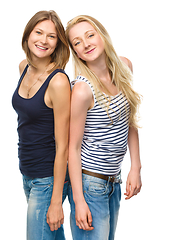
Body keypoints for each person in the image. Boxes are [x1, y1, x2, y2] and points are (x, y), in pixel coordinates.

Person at [66, 15, 142, 240]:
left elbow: (129, 121)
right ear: (76, 53)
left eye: (90, 35)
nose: (86, 43)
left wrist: (135, 167)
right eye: (77, 42)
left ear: (102, 36)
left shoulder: (124, 66)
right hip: (90, 185)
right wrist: (79, 201)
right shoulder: (82, 90)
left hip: (113, 182)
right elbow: (74, 148)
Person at [12, 10, 71, 240]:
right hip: (27, 171)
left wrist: (56, 200)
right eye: (38, 32)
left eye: (52, 36)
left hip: (48, 178)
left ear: (57, 44)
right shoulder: (23, 67)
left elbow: (63, 145)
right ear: (28, 35)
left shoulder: (57, 81)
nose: (43, 40)